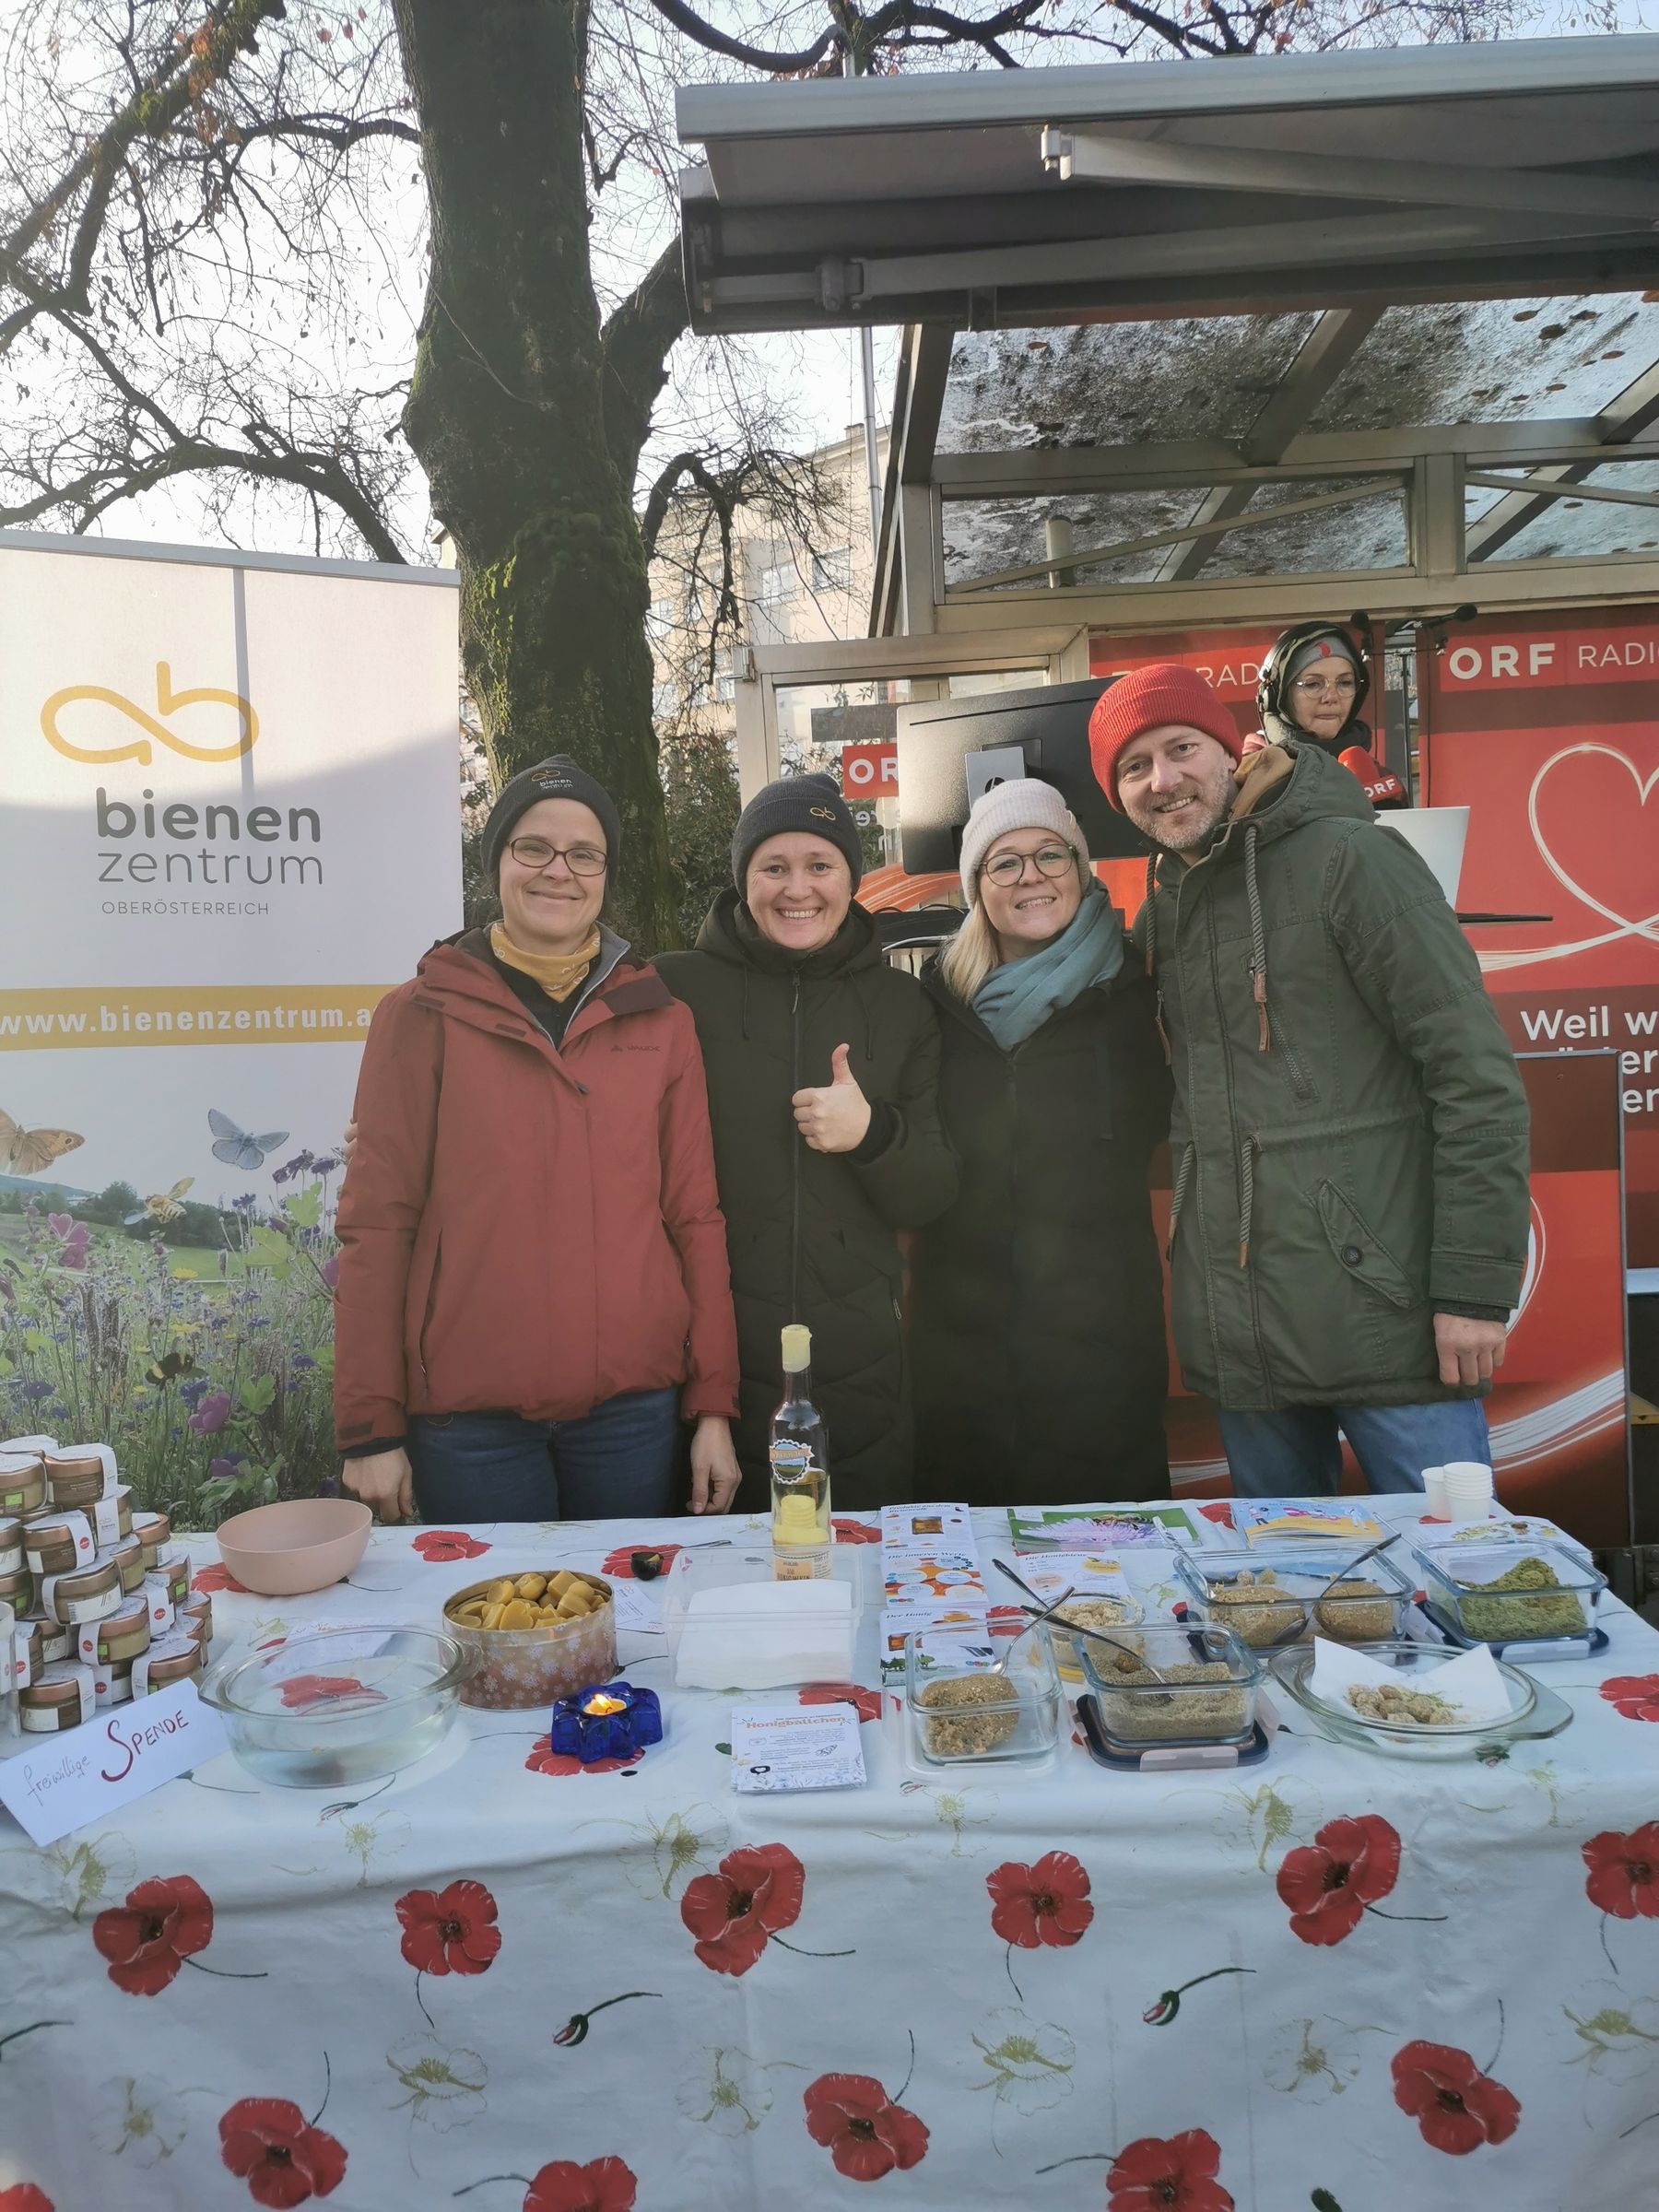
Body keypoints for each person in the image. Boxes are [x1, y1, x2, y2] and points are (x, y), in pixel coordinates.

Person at [1087, 662, 1530, 1498]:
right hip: (1246, 1340)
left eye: (1181, 749)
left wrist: (1474, 1288)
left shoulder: (1352, 858)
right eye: (1135, 768)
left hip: (1389, 1326)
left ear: (1230, 752)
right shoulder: (1169, 905)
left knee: (1464, 1588)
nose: (1164, 780)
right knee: (1287, 1607)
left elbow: (1476, 1079)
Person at [334, 756, 741, 1524]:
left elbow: (696, 1217)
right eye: (533, 848)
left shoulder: (660, 1019)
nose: (559, 871)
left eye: (584, 853)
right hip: (470, 1425)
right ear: (497, 863)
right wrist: (369, 1429)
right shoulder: (419, 1016)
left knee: (632, 1628)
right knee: (496, 1637)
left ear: (607, 873)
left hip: (632, 1415)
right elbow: (376, 1226)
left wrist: (712, 1406)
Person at [655, 773, 957, 1510]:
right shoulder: (672, 991)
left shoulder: (901, 1004)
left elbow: (933, 1193)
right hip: (708, 1368)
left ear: (852, 877)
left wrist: (871, 1135)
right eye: (773, 867)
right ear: (742, 878)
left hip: (859, 1376)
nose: (799, 889)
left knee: (858, 1591)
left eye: (820, 865)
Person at [910, 778, 1172, 1507]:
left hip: (1101, 1350)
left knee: (1108, 1585)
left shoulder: (1139, 989)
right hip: (961, 1354)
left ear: (1081, 866)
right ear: (977, 887)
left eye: (1050, 855)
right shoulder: (936, 1005)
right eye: (1005, 862)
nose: (1031, 877)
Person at [1253, 621, 1407, 807]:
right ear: (1278, 695)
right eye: (1313, 684)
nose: (1331, 697)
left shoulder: (1381, 779)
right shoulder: (1247, 777)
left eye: (1344, 682)